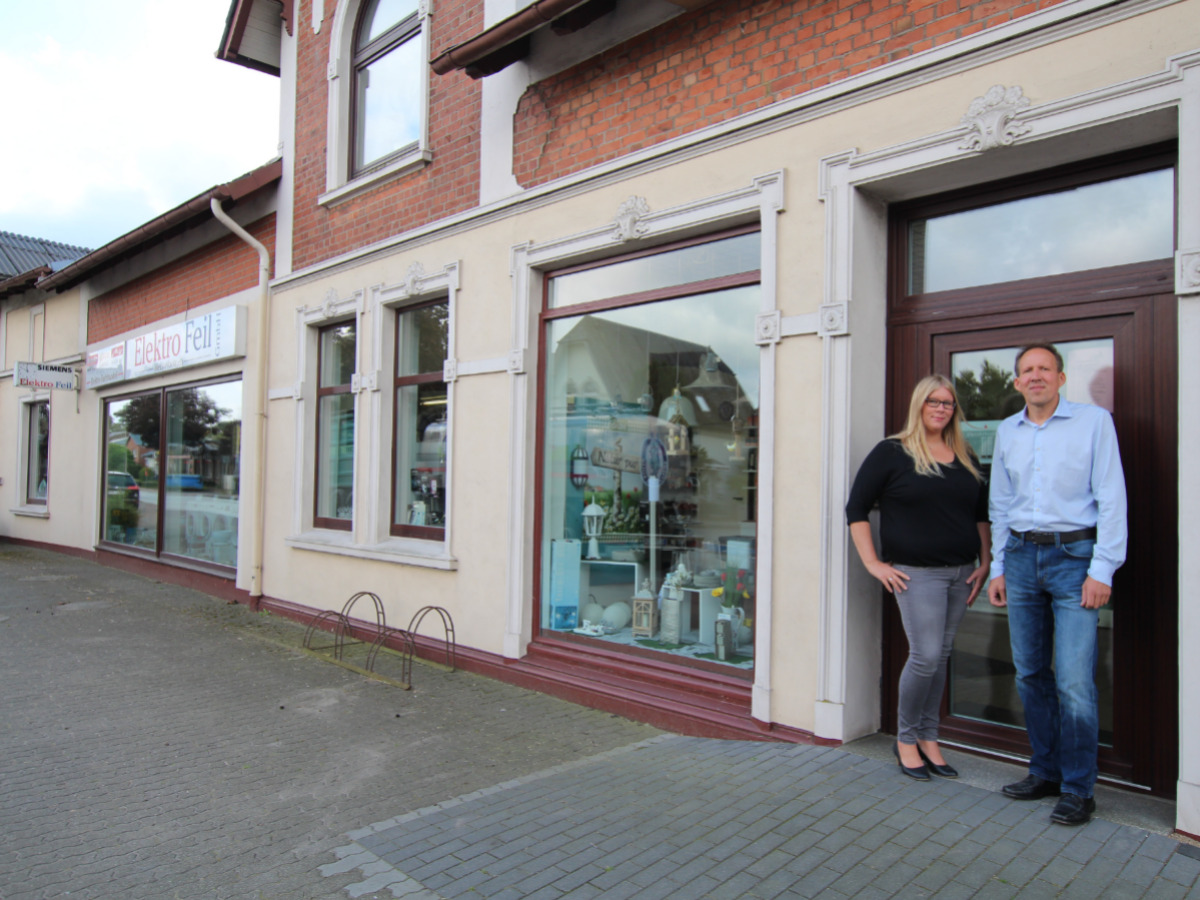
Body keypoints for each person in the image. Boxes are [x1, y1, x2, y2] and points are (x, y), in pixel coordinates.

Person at [987, 343, 1127, 827]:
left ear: (1061, 378)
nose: (1036, 376)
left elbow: (1112, 497)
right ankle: (1044, 771)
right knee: (1029, 673)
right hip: (1021, 558)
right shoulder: (1008, 431)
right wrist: (998, 566)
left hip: (1075, 560)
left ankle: (1078, 788)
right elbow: (1000, 504)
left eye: (1045, 368)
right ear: (1017, 382)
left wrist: (1103, 569)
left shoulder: (1094, 423)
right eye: (1027, 370)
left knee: (1073, 680)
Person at [847, 375, 991, 781]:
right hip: (917, 575)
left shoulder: (965, 455)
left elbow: (980, 514)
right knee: (925, 656)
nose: (941, 408)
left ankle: (929, 737)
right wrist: (873, 563)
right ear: (919, 404)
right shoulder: (892, 452)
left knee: (940, 656)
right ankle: (906, 739)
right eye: (933, 401)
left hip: (961, 572)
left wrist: (985, 560)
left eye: (948, 402)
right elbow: (856, 508)